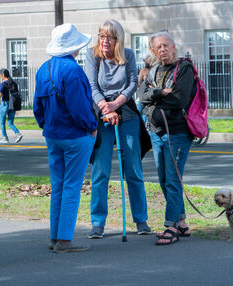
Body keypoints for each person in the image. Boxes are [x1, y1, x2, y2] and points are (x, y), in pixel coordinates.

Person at [34, 23, 97, 252]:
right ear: (75, 47)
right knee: (72, 186)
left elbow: (37, 108)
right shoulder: (73, 71)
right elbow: (80, 107)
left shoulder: (44, 68)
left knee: (58, 186)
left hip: (53, 134)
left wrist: (47, 125)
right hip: (75, 136)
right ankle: (64, 240)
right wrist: (92, 127)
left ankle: (54, 237)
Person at [84, 19, 151, 238]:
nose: (104, 41)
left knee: (133, 169)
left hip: (127, 113)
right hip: (102, 115)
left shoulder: (129, 55)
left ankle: (141, 220)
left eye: (109, 37)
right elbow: (91, 85)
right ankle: (97, 223)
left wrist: (116, 104)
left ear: (118, 40)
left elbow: (133, 83)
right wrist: (106, 108)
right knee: (100, 171)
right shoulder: (92, 55)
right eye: (102, 36)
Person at [138, 31, 196, 245]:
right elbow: (141, 96)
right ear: (153, 50)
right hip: (157, 133)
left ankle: (170, 226)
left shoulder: (184, 68)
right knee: (164, 179)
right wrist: (160, 93)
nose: (163, 50)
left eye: (166, 45)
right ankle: (181, 221)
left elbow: (179, 98)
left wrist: (155, 99)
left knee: (172, 179)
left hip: (178, 133)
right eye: (158, 47)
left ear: (174, 46)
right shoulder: (152, 71)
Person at [0, 69, 23, 144]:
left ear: (3, 75)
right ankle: (18, 134)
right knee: (10, 123)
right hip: (13, 104)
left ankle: (5, 138)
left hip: (5, 104)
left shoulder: (3, 84)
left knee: (2, 122)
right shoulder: (14, 83)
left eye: (0, 75)